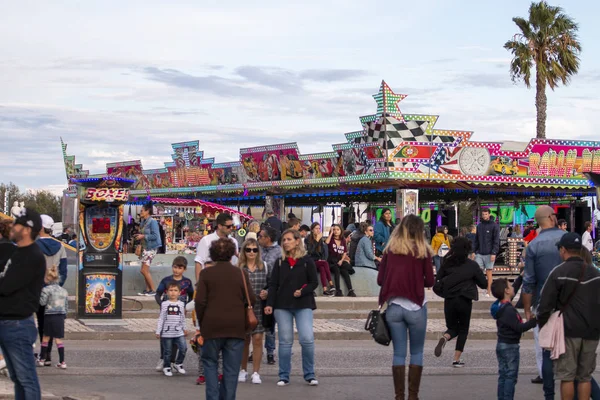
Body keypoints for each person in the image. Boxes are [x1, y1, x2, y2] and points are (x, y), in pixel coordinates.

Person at [537, 232, 600, 400]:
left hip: (568, 331)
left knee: (567, 376)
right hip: (592, 332)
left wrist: (544, 326)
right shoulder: (595, 273)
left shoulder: (558, 272)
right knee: (584, 376)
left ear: (563, 250)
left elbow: (544, 306)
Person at [378, 215, 434, 400]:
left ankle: (399, 396)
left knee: (398, 354)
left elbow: (380, 279)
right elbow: (430, 281)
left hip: (394, 306)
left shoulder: (390, 249)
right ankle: (413, 396)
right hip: (416, 306)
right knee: (416, 352)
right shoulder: (423, 250)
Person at [196, 238, 256, 400]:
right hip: (235, 328)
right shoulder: (241, 274)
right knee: (231, 370)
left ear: (213, 254)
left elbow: (200, 302)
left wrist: (202, 324)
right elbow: (252, 298)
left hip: (211, 326)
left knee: (210, 364)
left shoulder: (206, 274)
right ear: (232, 254)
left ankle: (213, 397)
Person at [0, 208, 46, 400]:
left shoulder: (31, 256)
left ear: (26, 229)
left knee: (27, 380)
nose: (12, 226)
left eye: (17, 223)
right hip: (9, 322)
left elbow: (6, 286)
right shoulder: (19, 252)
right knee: (18, 379)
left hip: (17, 325)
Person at [265, 229, 319, 387]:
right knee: (285, 341)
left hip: (303, 304)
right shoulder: (280, 261)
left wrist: (303, 291)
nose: (285, 242)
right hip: (282, 305)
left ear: (297, 241)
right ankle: (283, 375)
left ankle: (309, 374)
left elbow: (314, 282)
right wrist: (269, 304)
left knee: (307, 339)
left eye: (289, 239)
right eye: (284, 240)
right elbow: (273, 284)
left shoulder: (307, 260)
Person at [521, 205, 565, 395]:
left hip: (543, 301)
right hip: (571, 302)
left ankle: (546, 380)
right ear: (550, 217)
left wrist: (527, 309)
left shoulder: (534, 245)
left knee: (544, 346)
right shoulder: (568, 240)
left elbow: (528, 281)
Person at [434, 237, 487, 367]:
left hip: (449, 300)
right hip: (465, 299)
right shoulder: (472, 265)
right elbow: (484, 284)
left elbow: (438, 280)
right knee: (463, 329)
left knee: (452, 327)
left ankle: (445, 337)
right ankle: (456, 359)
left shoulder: (447, 263)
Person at [490, 278, 537, 400]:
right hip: (510, 346)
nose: (513, 288)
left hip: (501, 344)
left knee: (503, 375)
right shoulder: (509, 310)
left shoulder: (501, 307)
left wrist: (521, 276)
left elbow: (515, 287)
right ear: (506, 291)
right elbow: (519, 328)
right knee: (510, 376)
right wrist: (534, 322)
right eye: (510, 286)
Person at [154, 256, 194, 372]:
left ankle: (172, 361)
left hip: (180, 312)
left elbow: (191, 295)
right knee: (165, 336)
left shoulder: (187, 282)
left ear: (184, 269)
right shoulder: (166, 280)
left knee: (177, 335)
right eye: (175, 267)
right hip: (167, 312)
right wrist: (162, 305)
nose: (176, 270)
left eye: (180, 268)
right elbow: (158, 294)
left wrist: (187, 307)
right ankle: (163, 358)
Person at [238, 239, 268, 385]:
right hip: (243, 308)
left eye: (254, 249)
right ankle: (242, 370)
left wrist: (266, 292)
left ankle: (256, 372)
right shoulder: (239, 268)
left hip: (259, 307)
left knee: (257, 339)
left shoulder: (264, 267)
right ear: (243, 251)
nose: (251, 252)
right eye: (248, 249)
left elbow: (271, 284)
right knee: (244, 340)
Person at [257, 226, 281, 365]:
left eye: (261, 236)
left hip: (271, 290)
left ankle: (270, 352)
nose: (258, 238)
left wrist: (270, 291)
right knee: (256, 323)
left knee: (269, 324)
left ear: (268, 239)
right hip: (256, 288)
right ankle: (255, 350)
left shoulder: (279, 252)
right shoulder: (257, 250)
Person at [37, 265, 69, 369]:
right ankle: (62, 362)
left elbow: (42, 303)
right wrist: (64, 315)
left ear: (48, 278)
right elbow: (66, 306)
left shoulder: (46, 290)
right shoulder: (64, 291)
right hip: (60, 316)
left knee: (45, 338)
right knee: (58, 339)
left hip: (49, 316)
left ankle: (42, 359)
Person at [194, 213, 239, 282]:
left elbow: (235, 264)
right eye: (228, 226)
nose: (231, 228)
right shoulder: (206, 240)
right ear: (220, 226)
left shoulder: (234, 241)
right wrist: (198, 284)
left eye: (232, 226)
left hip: (228, 281)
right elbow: (199, 263)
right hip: (210, 280)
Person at [156, 282, 187, 377]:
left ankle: (178, 363)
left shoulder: (181, 304)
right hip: (167, 332)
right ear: (167, 292)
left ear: (180, 292)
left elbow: (182, 317)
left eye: (175, 290)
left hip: (179, 332)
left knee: (183, 348)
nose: (173, 293)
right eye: (171, 290)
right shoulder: (164, 304)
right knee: (168, 351)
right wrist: (158, 331)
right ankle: (167, 366)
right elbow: (161, 318)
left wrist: (185, 328)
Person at [135, 203, 162, 296]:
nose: (140, 212)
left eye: (142, 210)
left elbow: (156, 236)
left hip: (151, 248)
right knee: (143, 269)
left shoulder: (152, 222)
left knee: (144, 270)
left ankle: (153, 290)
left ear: (147, 211)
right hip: (145, 248)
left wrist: (143, 236)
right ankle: (148, 289)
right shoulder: (144, 222)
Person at [473, 208, 500, 297]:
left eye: (486, 214)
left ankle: (488, 291)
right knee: (476, 271)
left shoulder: (494, 226)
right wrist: (474, 251)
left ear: (489, 214)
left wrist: (494, 252)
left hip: (489, 253)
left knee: (489, 272)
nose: (484, 216)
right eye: (483, 214)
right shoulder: (479, 226)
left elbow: (496, 240)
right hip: (480, 252)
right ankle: (477, 289)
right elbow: (476, 239)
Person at [305, 222, 335, 296]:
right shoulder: (308, 238)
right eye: (316, 228)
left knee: (322, 267)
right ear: (312, 230)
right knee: (325, 263)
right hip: (310, 261)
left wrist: (320, 258)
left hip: (317, 261)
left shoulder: (320, 240)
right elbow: (310, 252)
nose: (318, 230)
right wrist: (316, 240)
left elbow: (321, 252)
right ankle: (331, 285)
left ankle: (325, 289)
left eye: (319, 228)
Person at [326, 224, 355, 297]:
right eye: (334, 229)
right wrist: (331, 233)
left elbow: (344, 252)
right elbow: (326, 242)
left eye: (337, 230)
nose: (336, 231)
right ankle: (338, 290)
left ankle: (350, 290)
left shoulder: (343, 240)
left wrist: (342, 260)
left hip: (339, 260)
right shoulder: (331, 239)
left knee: (345, 271)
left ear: (341, 231)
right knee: (337, 270)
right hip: (331, 261)